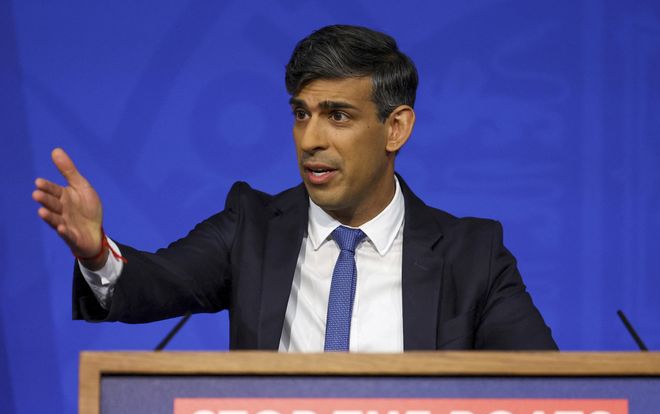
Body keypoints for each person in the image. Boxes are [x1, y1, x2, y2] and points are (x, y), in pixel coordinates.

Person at [32, 25, 557, 352]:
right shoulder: (253, 229)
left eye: (338, 116)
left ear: (395, 128)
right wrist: (99, 252)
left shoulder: (472, 255)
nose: (310, 139)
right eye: (301, 115)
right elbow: (154, 283)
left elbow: (547, 395)